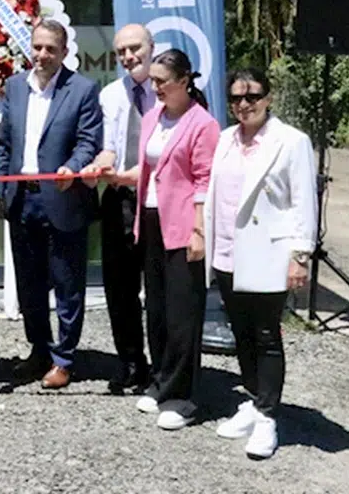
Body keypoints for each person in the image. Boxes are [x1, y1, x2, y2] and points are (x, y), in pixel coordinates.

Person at [205, 68, 317, 459]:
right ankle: (254, 400)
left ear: (268, 98)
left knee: (267, 335)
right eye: (236, 98)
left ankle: (268, 416)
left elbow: (304, 202)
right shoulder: (224, 140)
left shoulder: (292, 142)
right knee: (241, 333)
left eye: (252, 96)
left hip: (269, 253)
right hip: (228, 253)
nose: (244, 104)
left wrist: (300, 256)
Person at [0, 20, 102, 390]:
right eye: (37, 47)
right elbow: (4, 144)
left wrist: (73, 166)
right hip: (22, 199)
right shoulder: (14, 87)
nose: (42, 55)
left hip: (63, 197)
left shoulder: (82, 89)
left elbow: (88, 141)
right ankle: (39, 350)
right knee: (30, 285)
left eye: (50, 49)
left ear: (64, 52)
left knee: (67, 283)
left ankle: (64, 358)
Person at [112, 49, 219, 430]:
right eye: (153, 80)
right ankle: (160, 380)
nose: (155, 87)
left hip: (184, 225)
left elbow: (205, 180)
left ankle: (183, 395)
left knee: (182, 313)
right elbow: (148, 169)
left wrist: (199, 230)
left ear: (184, 81)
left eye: (162, 81)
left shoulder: (202, 124)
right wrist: (119, 176)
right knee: (155, 307)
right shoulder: (153, 117)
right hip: (151, 219)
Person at [82, 23, 156, 395]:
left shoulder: (170, 92)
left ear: (152, 47)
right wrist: (99, 165)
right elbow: (108, 146)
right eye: (121, 51)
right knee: (119, 288)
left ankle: (164, 366)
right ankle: (130, 361)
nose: (128, 57)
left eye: (135, 48)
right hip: (118, 199)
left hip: (158, 201)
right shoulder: (110, 95)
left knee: (158, 288)